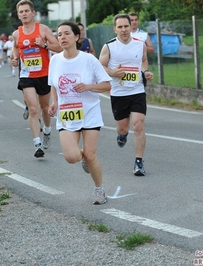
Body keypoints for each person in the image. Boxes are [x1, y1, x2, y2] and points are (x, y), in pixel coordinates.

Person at [48, 21, 111, 205]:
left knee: (91, 156)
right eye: (59, 34)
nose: (62, 37)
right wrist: (55, 102)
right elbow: (54, 84)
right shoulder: (55, 60)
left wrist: (88, 86)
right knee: (71, 157)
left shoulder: (89, 60)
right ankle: (83, 156)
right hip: (67, 114)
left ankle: (99, 190)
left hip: (89, 112)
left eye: (66, 33)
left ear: (76, 37)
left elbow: (107, 85)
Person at [99, 14, 154, 176]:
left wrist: (145, 72)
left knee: (138, 125)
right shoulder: (109, 47)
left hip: (137, 91)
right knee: (123, 128)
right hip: (118, 93)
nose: (124, 30)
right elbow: (100, 66)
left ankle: (138, 162)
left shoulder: (140, 45)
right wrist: (112, 72)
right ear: (115, 29)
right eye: (120, 27)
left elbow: (143, 61)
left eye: (126, 26)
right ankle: (122, 135)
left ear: (131, 27)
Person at [11, 0, 61, 158]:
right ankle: (37, 144)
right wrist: (14, 58)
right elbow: (16, 47)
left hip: (44, 74)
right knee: (33, 109)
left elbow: (59, 47)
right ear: (18, 15)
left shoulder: (43, 29)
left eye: (26, 11)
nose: (24, 14)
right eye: (21, 12)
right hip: (27, 75)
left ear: (33, 13)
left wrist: (44, 45)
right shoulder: (17, 33)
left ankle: (47, 130)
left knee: (45, 108)